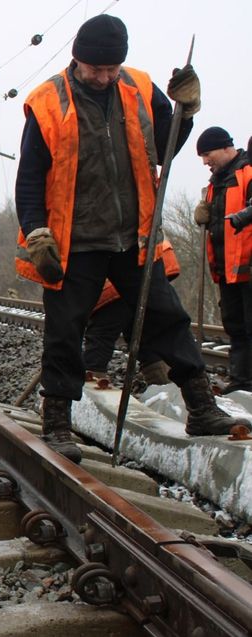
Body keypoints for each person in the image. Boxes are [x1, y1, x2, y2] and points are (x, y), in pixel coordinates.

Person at [15, 14, 245, 461]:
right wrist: (35, 230)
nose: (103, 77)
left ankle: (200, 407)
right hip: (75, 241)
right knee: (65, 331)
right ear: (76, 60)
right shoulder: (46, 102)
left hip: (133, 237)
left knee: (168, 318)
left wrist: (186, 112)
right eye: (95, 70)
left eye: (111, 69)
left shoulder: (138, 88)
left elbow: (166, 144)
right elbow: (29, 177)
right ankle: (57, 423)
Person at [192, 127, 252, 394]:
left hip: (248, 266)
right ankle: (241, 381)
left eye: (208, 154)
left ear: (226, 147)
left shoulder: (248, 172)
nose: (206, 161)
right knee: (236, 326)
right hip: (228, 269)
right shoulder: (217, 182)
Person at [82, 240, 179, 385]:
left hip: (127, 270)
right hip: (155, 260)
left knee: (101, 333)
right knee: (141, 331)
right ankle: (164, 387)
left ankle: (91, 381)